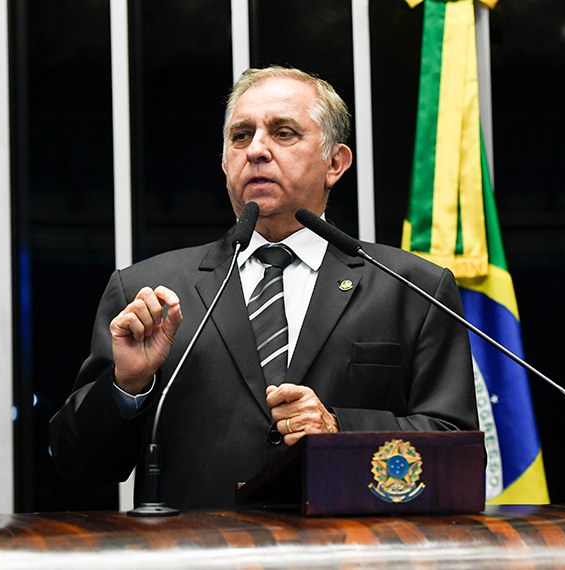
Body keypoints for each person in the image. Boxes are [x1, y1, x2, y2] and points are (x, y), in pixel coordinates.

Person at [50, 66, 478, 509]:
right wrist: (128, 384)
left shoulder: (412, 290)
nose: (256, 149)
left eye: (284, 132)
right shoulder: (146, 291)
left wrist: (339, 430)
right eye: (240, 136)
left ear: (335, 163)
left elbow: (458, 454)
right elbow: (77, 467)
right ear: (224, 163)